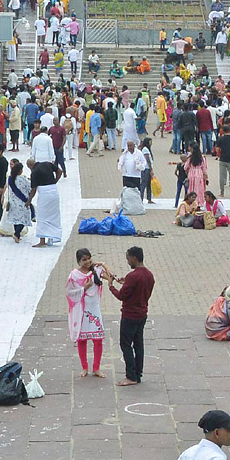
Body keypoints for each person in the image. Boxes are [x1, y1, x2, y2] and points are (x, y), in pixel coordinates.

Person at [108, 246, 155, 386]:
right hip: (142, 314)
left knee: (126, 344)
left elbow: (122, 296)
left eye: (128, 259)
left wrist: (111, 286)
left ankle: (131, 376)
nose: (128, 262)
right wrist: (126, 283)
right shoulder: (149, 275)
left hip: (130, 315)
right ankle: (138, 374)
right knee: (138, 344)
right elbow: (139, 290)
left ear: (134, 258)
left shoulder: (133, 276)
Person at [67, 248, 108, 378]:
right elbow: (69, 293)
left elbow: (111, 277)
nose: (87, 261)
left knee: (98, 340)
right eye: (84, 260)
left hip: (94, 310)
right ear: (78, 261)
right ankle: (84, 367)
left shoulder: (96, 271)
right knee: (82, 340)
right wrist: (84, 288)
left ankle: (96, 368)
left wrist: (103, 265)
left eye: (89, 258)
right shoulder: (74, 275)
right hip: (81, 311)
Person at [28, 156, 62, 249]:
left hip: (44, 194)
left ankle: (42, 241)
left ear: (30, 166)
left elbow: (34, 189)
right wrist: (55, 181)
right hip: (54, 191)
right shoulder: (48, 164)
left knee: (42, 217)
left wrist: (29, 201)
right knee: (53, 216)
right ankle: (52, 237)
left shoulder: (34, 172)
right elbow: (60, 171)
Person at [4, 159, 33, 243]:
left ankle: (16, 234)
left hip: (13, 201)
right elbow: (30, 188)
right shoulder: (24, 179)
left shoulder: (10, 179)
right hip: (22, 201)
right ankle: (17, 234)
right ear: (20, 170)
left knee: (16, 219)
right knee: (23, 219)